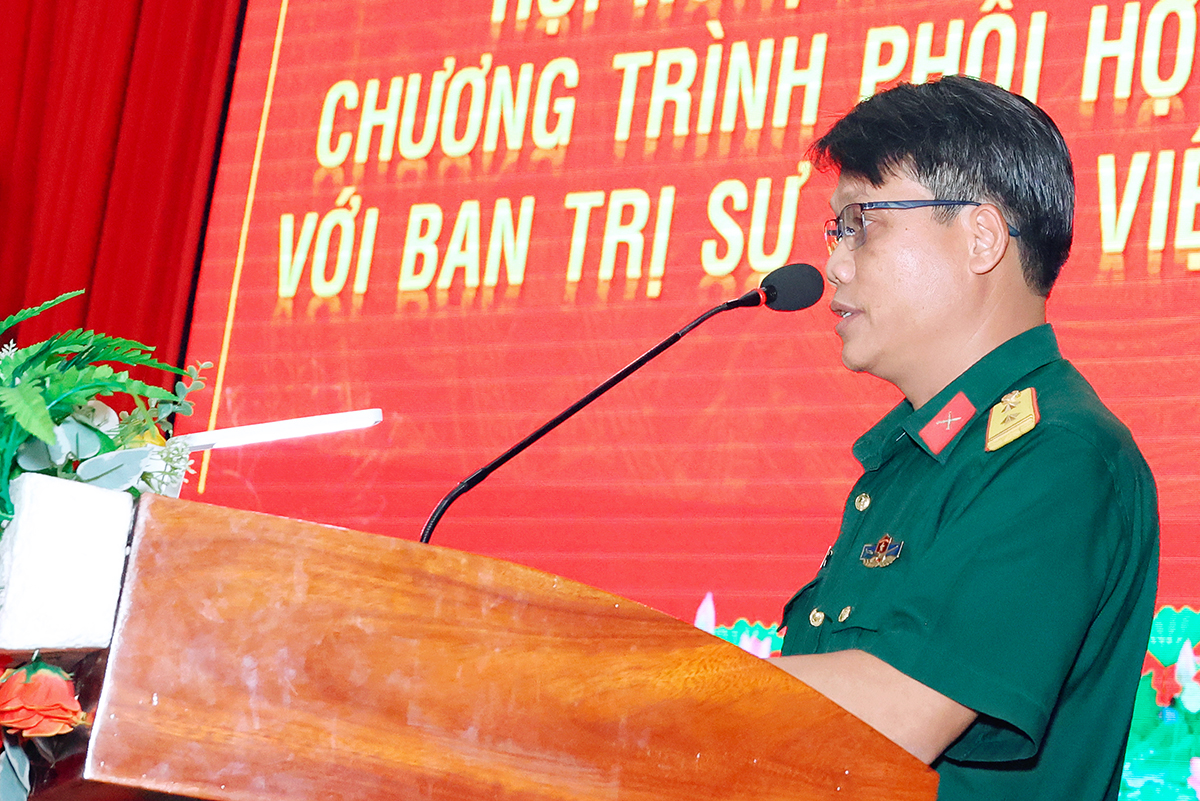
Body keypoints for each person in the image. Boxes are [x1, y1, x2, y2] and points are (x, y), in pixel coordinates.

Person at [772, 75, 1159, 801]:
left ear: (981, 237)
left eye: (862, 222)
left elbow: (901, 713)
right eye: (836, 230)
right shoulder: (913, 460)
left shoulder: (1059, 455)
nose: (835, 263)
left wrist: (644, 684)